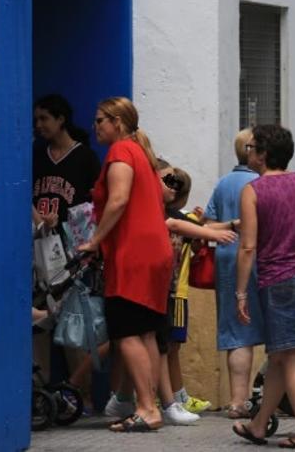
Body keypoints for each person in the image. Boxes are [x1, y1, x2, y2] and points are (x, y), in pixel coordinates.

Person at [76, 97, 173, 433]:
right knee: (144, 331)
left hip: (134, 254)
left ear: (117, 122)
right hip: (154, 251)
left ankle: (146, 408)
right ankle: (150, 406)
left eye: (100, 120)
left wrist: (95, 240)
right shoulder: (140, 153)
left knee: (126, 332)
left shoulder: (120, 152)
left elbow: (118, 200)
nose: (95, 126)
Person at [231, 124, 295, 450]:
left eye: (252, 147)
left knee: (292, 359)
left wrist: (240, 292)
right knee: (281, 357)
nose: (249, 152)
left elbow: (247, 247)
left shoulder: (253, 191)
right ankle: (258, 425)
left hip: (279, 281)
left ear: (264, 154)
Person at [156, 165, 236, 424]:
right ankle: (174, 397)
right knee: (168, 347)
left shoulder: (183, 218)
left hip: (176, 292)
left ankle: (175, 396)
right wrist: (226, 227)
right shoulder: (168, 218)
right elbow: (186, 226)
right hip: (171, 292)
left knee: (171, 347)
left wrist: (217, 225)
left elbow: (193, 225)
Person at [205, 128, 264, 419]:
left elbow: (207, 225)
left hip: (226, 259)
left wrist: (231, 225)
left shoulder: (223, 183)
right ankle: (254, 400)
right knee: (259, 331)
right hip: (258, 258)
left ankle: (237, 400)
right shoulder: (261, 182)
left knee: (236, 332)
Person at [32, 94, 100, 227]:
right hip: (40, 237)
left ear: (61, 119)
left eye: (44, 118)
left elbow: (98, 200)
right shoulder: (36, 154)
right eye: (36, 120)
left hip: (74, 238)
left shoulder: (85, 156)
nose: (38, 125)